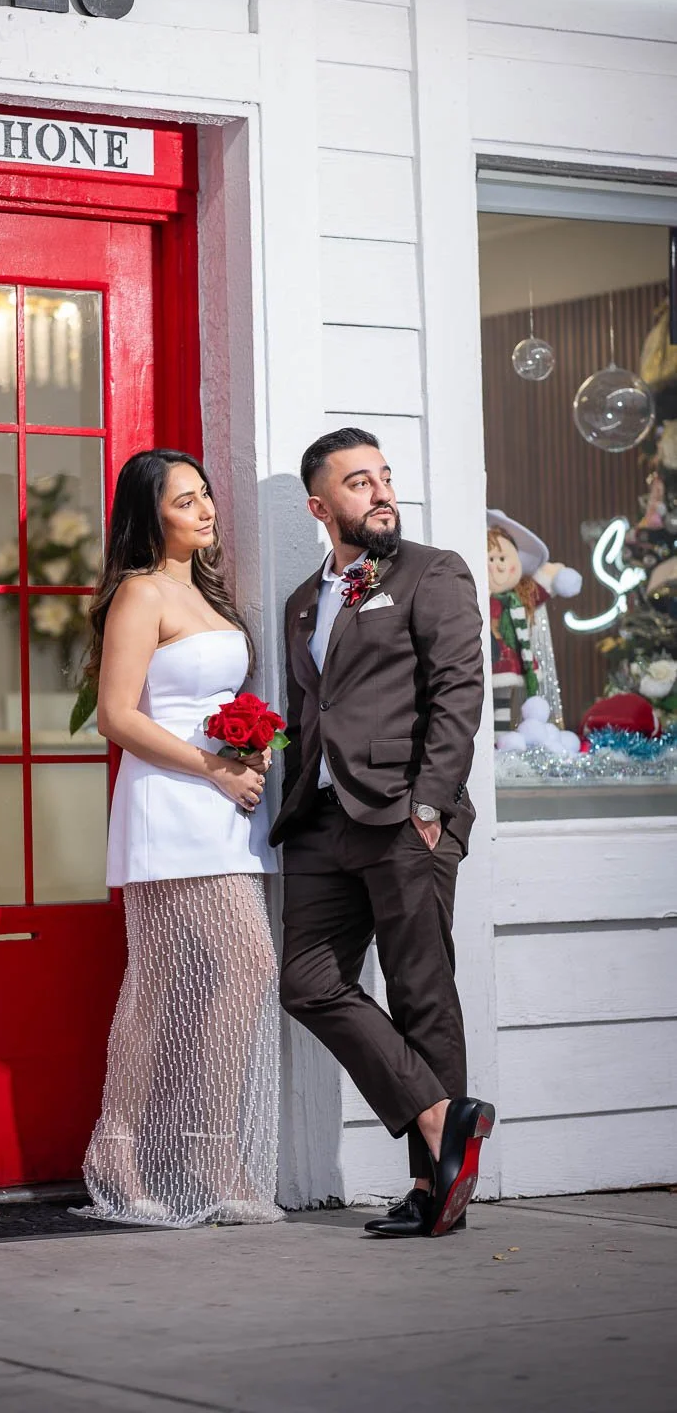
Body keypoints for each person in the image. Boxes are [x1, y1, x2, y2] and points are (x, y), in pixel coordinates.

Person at [271, 427, 492, 1238]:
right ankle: (442, 1121)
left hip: (402, 814)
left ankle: (437, 1192)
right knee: (306, 981)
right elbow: (317, 707)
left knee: (419, 994)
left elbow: (458, 692)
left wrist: (429, 804)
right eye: (359, 482)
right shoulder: (311, 596)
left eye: (385, 476)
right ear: (320, 506)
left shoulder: (429, 572)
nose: (381, 492)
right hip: (323, 821)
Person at [75, 449, 283, 1228]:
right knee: (231, 966)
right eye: (184, 501)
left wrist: (250, 746)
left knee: (168, 981)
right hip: (171, 800)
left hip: (224, 804)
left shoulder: (205, 593)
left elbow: (216, 697)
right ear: (148, 515)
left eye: (205, 496)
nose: (205, 511)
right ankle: (147, 1147)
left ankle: (181, 1147)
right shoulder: (139, 593)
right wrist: (213, 766)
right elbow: (118, 716)